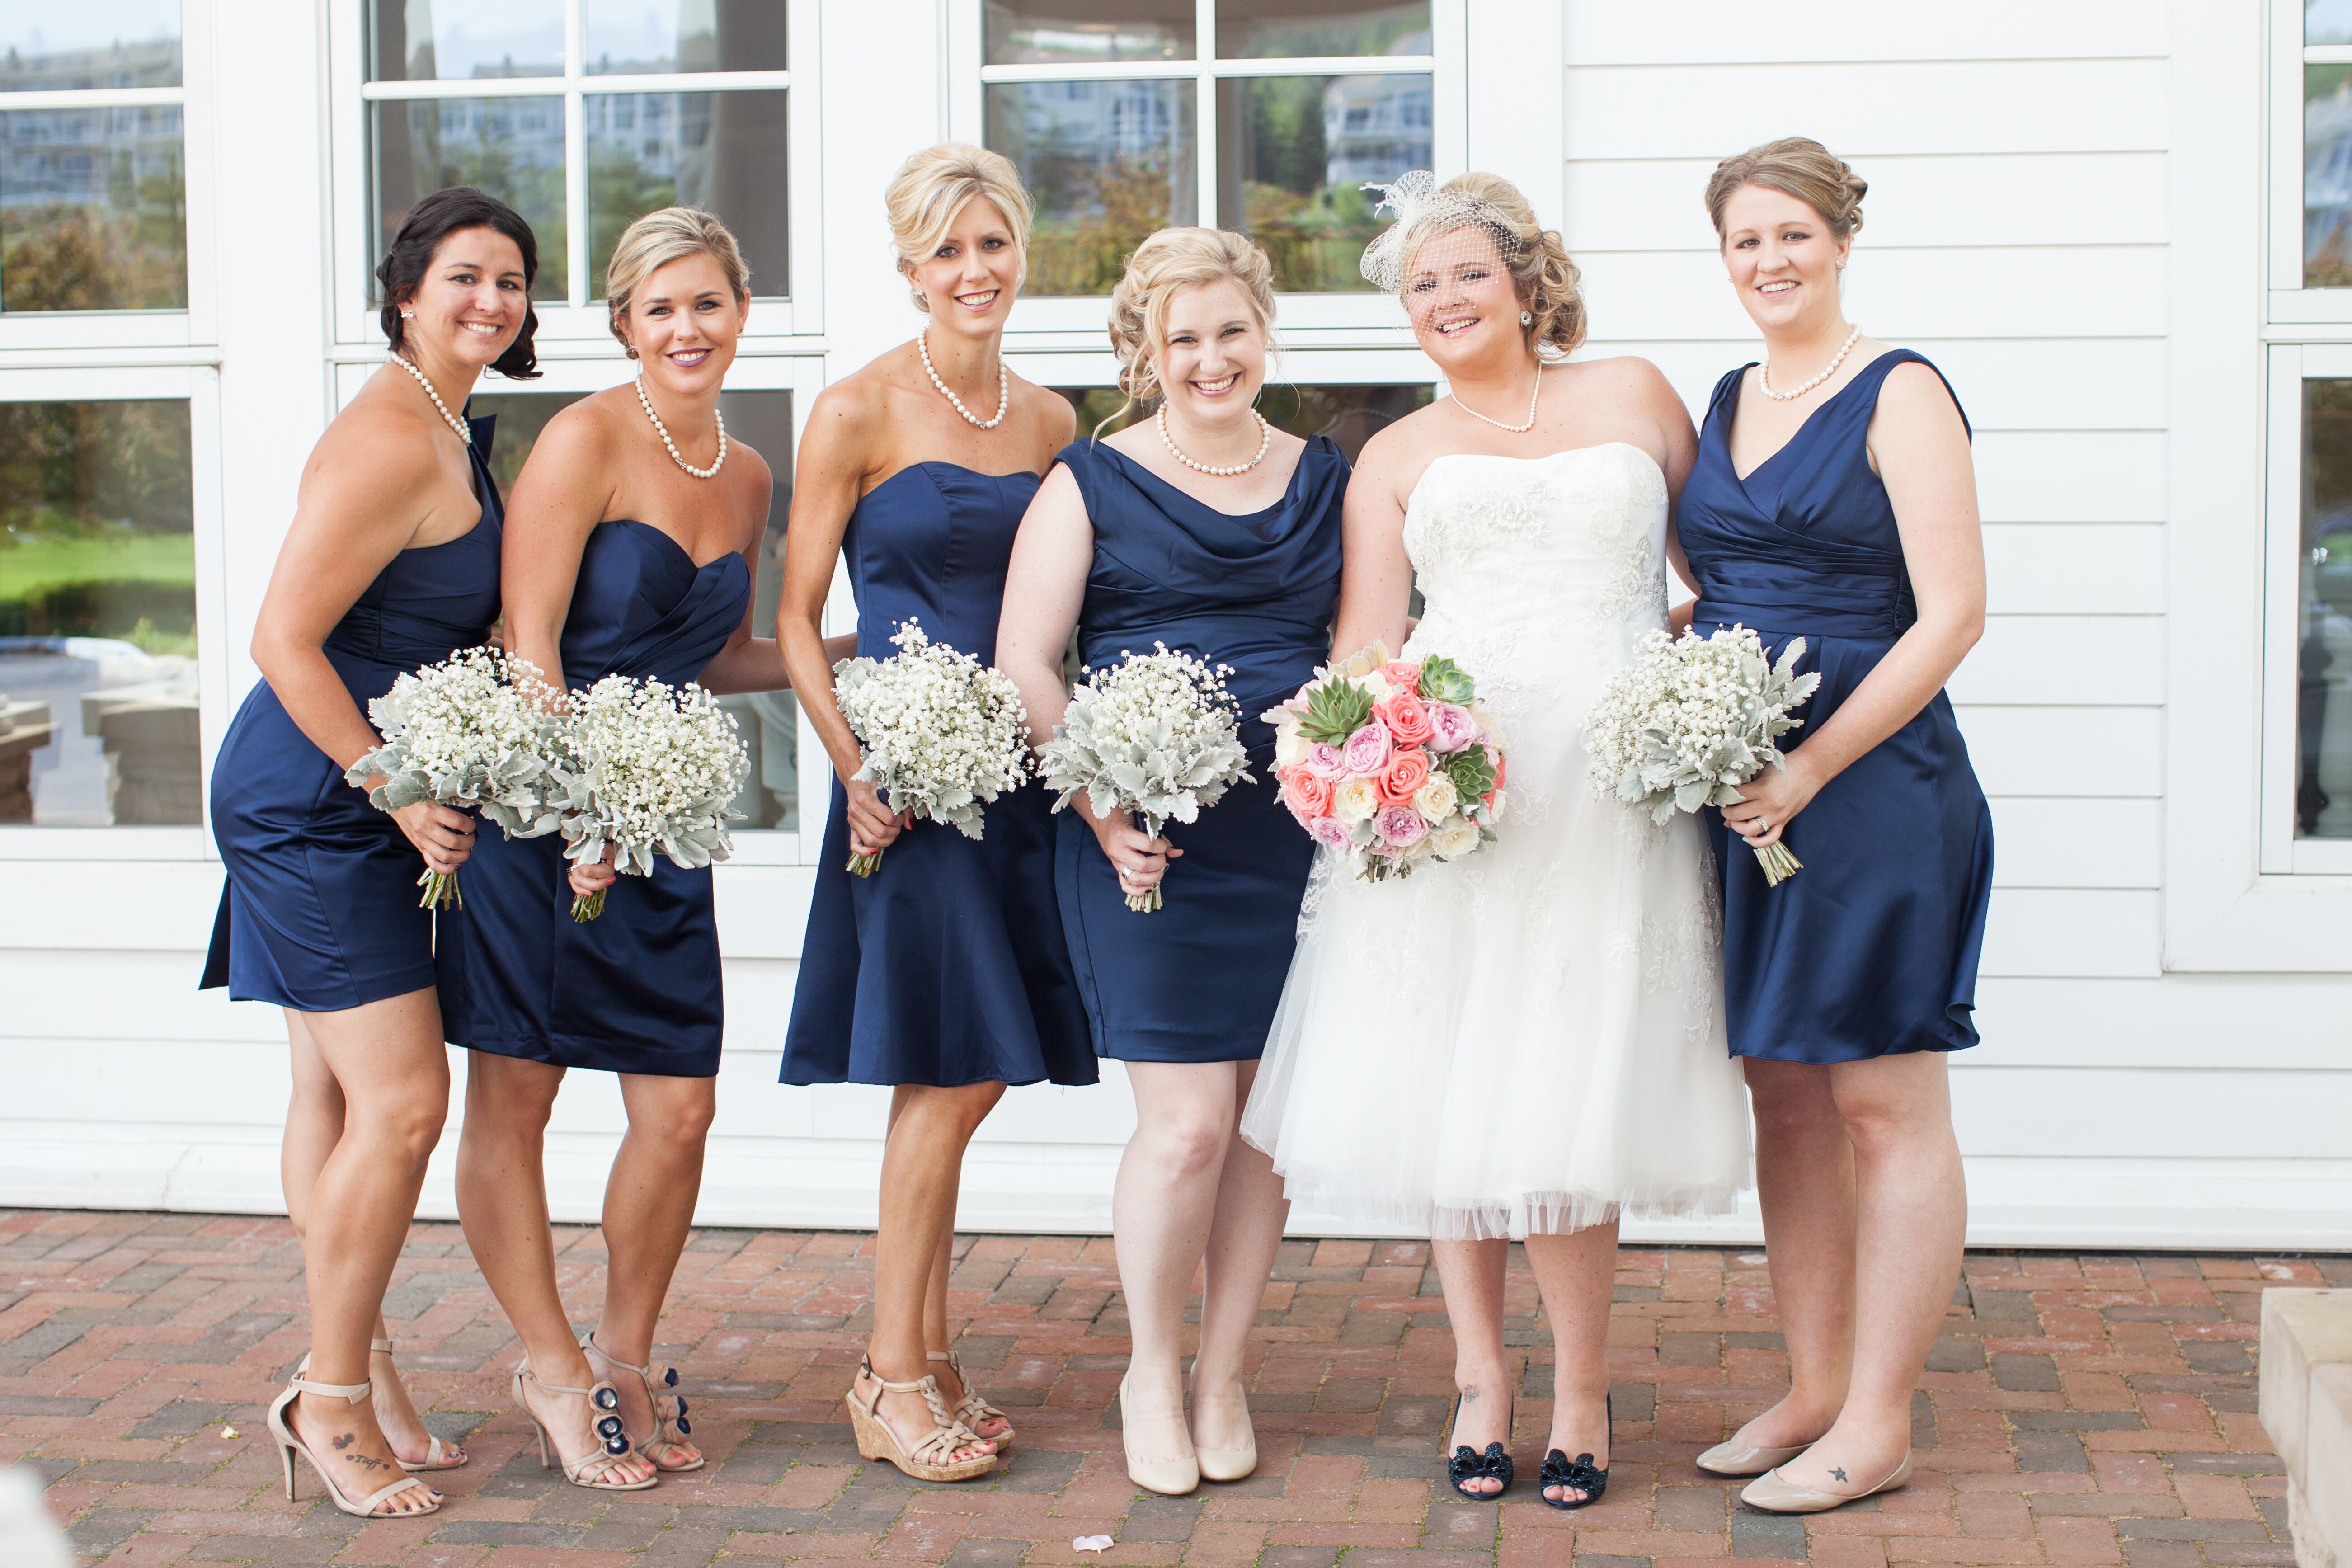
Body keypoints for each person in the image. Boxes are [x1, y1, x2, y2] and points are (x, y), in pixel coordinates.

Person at [1237, 171, 1752, 1508]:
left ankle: (1580, 1383)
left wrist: (1683, 697)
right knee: (1448, 1075)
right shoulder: (1395, 454)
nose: (1444, 300)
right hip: (1451, 795)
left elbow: (1728, 573)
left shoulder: (1635, 395)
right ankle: (1481, 1375)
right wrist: (1370, 746)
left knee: (1573, 1073)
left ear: (1526, 282)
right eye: (1419, 285)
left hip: (1609, 795)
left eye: (1466, 272)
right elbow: (1363, 636)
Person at [440, 207, 803, 1492]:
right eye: (659, 309)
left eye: (706, 303)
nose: (686, 329)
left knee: (681, 1108)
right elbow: (527, 643)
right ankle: (550, 1366)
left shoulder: (752, 472)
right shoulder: (584, 439)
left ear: (742, 313)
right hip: (541, 818)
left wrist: (856, 662)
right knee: (519, 1095)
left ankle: (628, 1354)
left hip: (658, 823)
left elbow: (714, 657)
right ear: (622, 325)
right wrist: (578, 808)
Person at [201, 186, 540, 1518]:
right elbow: (281, 637)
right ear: (405, 291)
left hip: (353, 783)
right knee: (404, 1103)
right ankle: (325, 1397)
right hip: (313, 795)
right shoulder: (389, 438)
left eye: (511, 281)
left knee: (335, 1102)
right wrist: (393, 786)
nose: (490, 301)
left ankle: (371, 1365)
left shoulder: (446, 427)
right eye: (465, 276)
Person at [997, 227, 1344, 1497]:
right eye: (1182, 338)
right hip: (1146, 839)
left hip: (1300, 834)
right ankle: (1150, 1366)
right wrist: (1096, 802)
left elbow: (1366, 642)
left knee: (1266, 1131)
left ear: (1264, 331)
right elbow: (1030, 660)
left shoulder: (1326, 475)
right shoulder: (1088, 480)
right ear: (1145, 352)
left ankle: (1223, 1373)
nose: (1210, 359)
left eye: (1230, 331)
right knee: (1188, 1128)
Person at [1675, 138, 1990, 1514]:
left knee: (1880, 1097)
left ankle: (1880, 1417)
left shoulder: (1899, 390)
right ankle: (1811, 1387)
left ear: (1840, 240)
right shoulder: (1726, 392)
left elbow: (1952, 616)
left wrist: (1806, 768)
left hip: (1871, 789)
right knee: (1784, 1094)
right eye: (1745, 241)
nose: (1769, 261)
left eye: (1791, 235)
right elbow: (1719, 584)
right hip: (1739, 793)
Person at [777, 143, 1092, 1484]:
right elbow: (796, 620)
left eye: (992, 245)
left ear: (1019, 254)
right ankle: (889, 1374)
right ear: (909, 270)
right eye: (946, 252)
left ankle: (927, 1349)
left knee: (969, 1069)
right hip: (903, 791)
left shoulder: (1056, 423)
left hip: (1018, 785)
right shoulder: (854, 411)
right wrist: (855, 766)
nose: (973, 272)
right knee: (941, 1074)